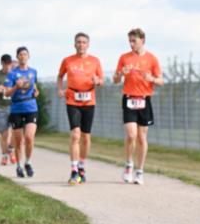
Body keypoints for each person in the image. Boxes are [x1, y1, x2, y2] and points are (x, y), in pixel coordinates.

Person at [113, 28, 162, 185]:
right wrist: (121, 74)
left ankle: (139, 171)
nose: (131, 44)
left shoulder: (152, 59)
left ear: (142, 40)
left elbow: (161, 81)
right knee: (131, 134)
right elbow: (115, 80)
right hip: (129, 99)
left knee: (141, 137)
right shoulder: (124, 58)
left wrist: (151, 78)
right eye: (130, 41)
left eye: (134, 41)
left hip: (144, 100)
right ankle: (128, 164)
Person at [57, 32, 104, 185]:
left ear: (88, 44)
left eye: (84, 42)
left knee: (85, 136)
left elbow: (101, 80)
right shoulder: (67, 60)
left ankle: (82, 166)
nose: (81, 44)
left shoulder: (95, 61)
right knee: (75, 135)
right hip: (72, 99)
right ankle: (74, 170)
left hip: (89, 100)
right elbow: (60, 76)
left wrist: (97, 81)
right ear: (74, 44)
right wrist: (59, 89)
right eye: (78, 42)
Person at [3, 47, 40, 177]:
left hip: (31, 107)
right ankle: (19, 166)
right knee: (19, 141)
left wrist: (36, 92)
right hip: (16, 108)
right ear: (17, 57)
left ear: (28, 56)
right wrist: (16, 87)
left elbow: (34, 87)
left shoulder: (33, 72)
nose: (23, 56)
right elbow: (6, 93)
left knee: (29, 137)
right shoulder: (12, 74)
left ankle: (28, 162)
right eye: (20, 55)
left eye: (25, 54)